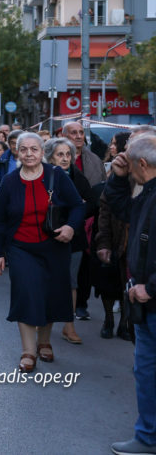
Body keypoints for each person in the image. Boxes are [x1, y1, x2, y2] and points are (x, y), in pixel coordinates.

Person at [0, 132, 84, 374]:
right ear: (17, 153)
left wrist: (71, 227)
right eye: (24, 149)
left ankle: (44, 341)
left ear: (43, 153)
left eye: (34, 149)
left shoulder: (57, 176)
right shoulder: (10, 182)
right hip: (21, 247)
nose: (29, 154)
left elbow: (77, 206)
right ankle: (28, 351)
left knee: (50, 295)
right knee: (27, 293)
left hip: (54, 247)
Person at [103, 133, 156, 455]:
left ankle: (148, 436)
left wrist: (150, 288)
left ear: (142, 163)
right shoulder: (147, 191)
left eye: (127, 159)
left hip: (149, 296)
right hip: (143, 302)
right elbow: (122, 208)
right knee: (146, 372)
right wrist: (119, 179)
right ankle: (147, 437)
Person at [44, 136, 98, 345]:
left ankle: (69, 326)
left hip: (73, 237)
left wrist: (75, 213)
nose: (65, 159)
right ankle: (42, 322)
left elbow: (91, 204)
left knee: (71, 282)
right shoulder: (43, 176)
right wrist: (74, 206)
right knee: (46, 280)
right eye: (60, 154)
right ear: (50, 157)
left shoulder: (78, 177)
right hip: (47, 236)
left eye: (68, 154)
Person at [95, 131, 134, 341]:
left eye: (115, 144)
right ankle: (109, 320)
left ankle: (125, 323)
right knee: (108, 283)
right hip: (114, 235)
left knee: (129, 285)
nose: (112, 147)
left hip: (134, 240)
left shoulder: (143, 174)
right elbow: (105, 208)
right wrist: (103, 241)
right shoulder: (115, 173)